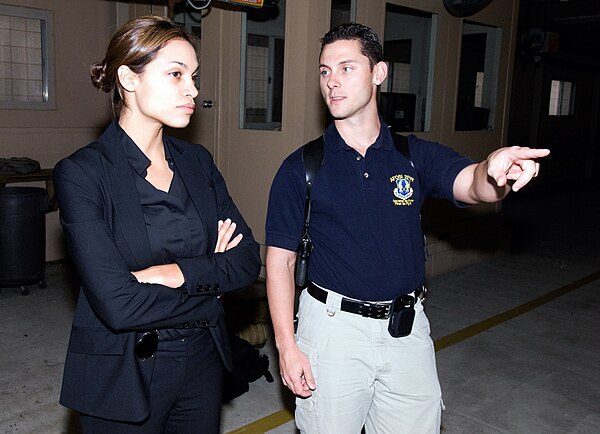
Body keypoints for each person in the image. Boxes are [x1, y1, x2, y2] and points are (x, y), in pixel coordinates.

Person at [265, 22, 549, 434]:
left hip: (406, 329)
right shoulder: (302, 168)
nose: (332, 82)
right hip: (331, 330)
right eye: (325, 71)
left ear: (379, 73)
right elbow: (279, 264)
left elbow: (472, 184)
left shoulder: (413, 156)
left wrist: (494, 168)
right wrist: (286, 347)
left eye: (346, 68)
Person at [54, 15, 261, 433]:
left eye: (194, 76)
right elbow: (119, 303)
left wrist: (173, 273)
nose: (194, 90)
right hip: (123, 370)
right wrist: (211, 287)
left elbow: (246, 261)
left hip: (203, 361)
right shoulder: (82, 173)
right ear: (128, 79)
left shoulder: (197, 163)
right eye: (176, 74)